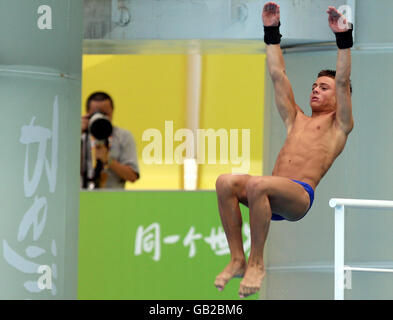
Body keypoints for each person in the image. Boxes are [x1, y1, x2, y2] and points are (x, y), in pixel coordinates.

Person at [214, 2, 354, 298]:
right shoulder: (295, 119)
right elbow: (278, 74)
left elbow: (342, 80)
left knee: (257, 183)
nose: (316, 89)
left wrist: (343, 39)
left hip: (298, 196)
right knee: (225, 181)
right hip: (265, 195)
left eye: (324, 88)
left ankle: (257, 263)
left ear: (340, 98)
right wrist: (271, 31)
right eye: (315, 85)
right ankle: (237, 258)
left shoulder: (339, 125)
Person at [81, 92, 140, 189]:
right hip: (81, 198)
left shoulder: (123, 136)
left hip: (113, 199)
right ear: (87, 114)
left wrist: (108, 160)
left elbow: (132, 176)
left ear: (112, 112)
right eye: (95, 114)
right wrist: (76, 132)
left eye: (105, 114)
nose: (100, 118)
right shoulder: (80, 137)